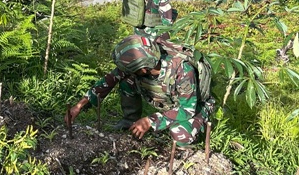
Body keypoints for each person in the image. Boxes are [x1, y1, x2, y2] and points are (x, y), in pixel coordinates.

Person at [64, 35, 213, 147]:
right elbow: (108, 81)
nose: (124, 71)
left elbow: (187, 109)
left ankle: (190, 150)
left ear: (143, 68)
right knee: (126, 80)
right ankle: (130, 121)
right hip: (167, 101)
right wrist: (80, 105)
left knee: (180, 134)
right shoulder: (141, 64)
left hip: (193, 106)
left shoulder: (183, 70)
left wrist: (151, 121)